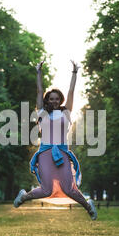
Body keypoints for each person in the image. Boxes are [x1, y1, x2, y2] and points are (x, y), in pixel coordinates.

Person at [13, 60, 97, 220]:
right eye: (51, 98)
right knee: (46, 190)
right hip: (45, 153)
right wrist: (38, 72)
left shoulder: (66, 112)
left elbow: (71, 92)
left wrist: (74, 73)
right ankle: (23, 196)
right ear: (47, 100)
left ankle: (89, 206)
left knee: (68, 188)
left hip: (63, 152)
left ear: (61, 100)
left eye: (57, 99)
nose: (54, 101)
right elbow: (39, 91)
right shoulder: (42, 113)